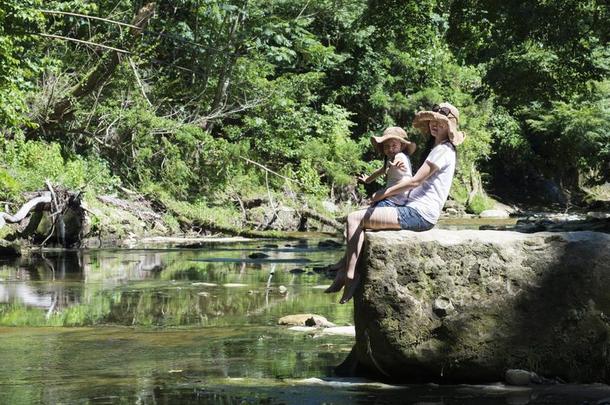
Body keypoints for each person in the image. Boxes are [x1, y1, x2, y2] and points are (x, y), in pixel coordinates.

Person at [325, 102, 465, 304]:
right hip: (412, 208)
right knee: (364, 218)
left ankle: (349, 275)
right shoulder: (438, 149)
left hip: (419, 214)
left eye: (440, 123)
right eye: (432, 122)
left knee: (354, 218)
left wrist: (383, 193)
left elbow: (415, 181)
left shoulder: (442, 150)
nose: (434, 125)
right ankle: (344, 271)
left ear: (449, 127)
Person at [359, 126, 416, 208]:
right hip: (395, 199)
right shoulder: (389, 160)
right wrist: (368, 180)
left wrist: (397, 163)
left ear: (402, 146)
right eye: (386, 146)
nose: (390, 149)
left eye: (394, 145)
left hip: (396, 200)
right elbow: (380, 171)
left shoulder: (400, 156)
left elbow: (398, 159)